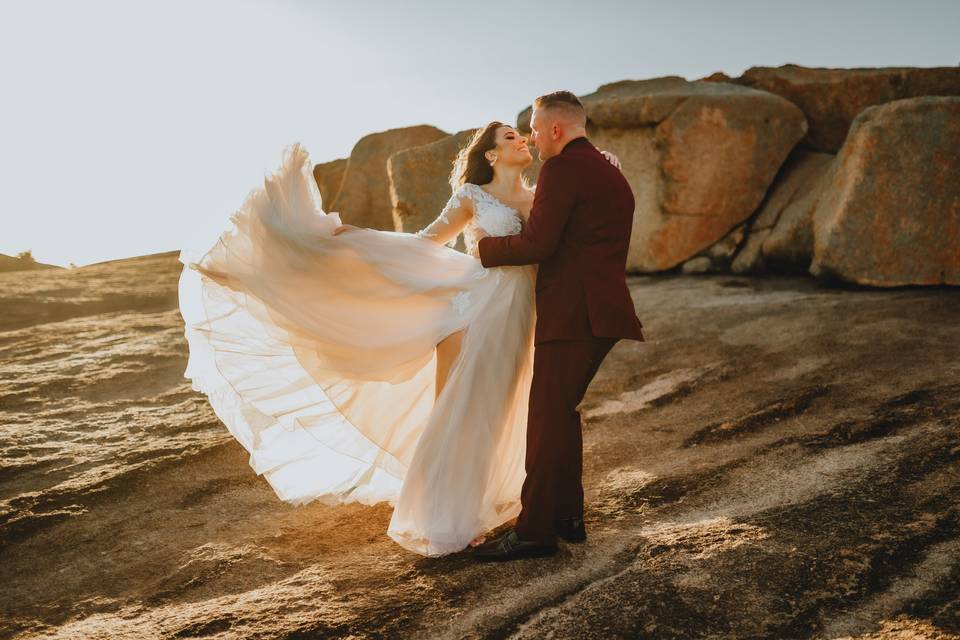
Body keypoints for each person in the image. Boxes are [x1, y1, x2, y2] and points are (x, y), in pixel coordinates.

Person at [177, 110, 630, 557]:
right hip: (478, 309)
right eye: (512, 136)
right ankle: (447, 518)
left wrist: (604, 160)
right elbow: (425, 242)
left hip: (525, 315)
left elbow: (565, 219)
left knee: (504, 417)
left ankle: (503, 506)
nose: (523, 140)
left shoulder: (543, 193)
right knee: (464, 411)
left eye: (524, 134)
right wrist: (356, 237)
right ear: (490, 154)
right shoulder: (473, 195)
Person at [469, 91, 645, 561]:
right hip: (598, 312)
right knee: (560, 413)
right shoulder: (610, 171)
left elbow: (538, 243)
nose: (529, 136)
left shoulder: (563, 169)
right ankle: (568, 517)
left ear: (555, 130)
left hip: (574, 314)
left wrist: (484, 247)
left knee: (546, 420)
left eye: (533, 127)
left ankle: (535, 533)